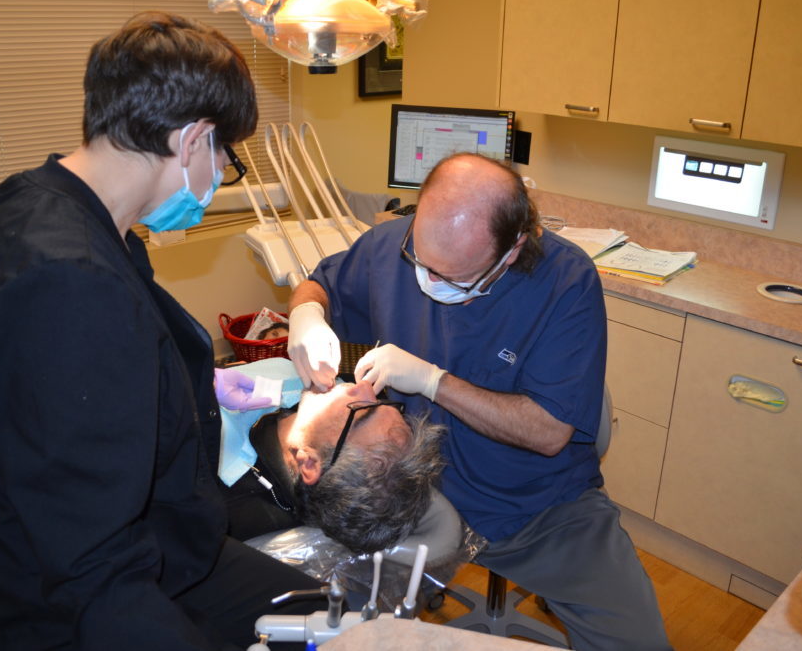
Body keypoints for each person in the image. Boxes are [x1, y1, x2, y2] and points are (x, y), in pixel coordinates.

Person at [0, 11, 321, 650]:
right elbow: (93, 572)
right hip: (40, 600)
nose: (221, 175)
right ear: (193, 141)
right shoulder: (70, 283)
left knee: (316, 613)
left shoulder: (33, 198)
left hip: (148, 543)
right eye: (226, 156)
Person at [286, 153, 672, 650]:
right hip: (412, 494)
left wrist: (432, 381)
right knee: (320, 621)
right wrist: (307, 315)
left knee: (638, 642)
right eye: (421, 265)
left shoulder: (566, 282)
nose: (429, 283)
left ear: (513, 250)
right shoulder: (391, 246)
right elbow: (321, 284)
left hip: (535, 508)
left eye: (455, 279)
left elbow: (550, 431)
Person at [213, 370, 445, 554]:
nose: (363, 385)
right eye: (380, 401)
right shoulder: (323, 399)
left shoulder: (225, 494)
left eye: (361, 410)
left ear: (310, 464)